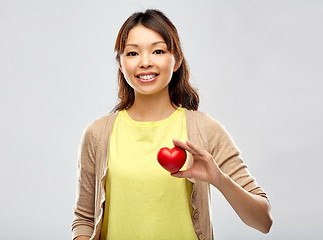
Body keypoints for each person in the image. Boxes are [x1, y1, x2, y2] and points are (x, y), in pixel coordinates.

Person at [71, 9, 273, 240]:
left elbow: (263, 221)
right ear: (120, 62)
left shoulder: (205, 129)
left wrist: (219, 179)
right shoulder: (98, 134)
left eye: (158, 51)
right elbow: (84, 219)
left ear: (176, 60)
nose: (145, 62)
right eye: (132, 53)